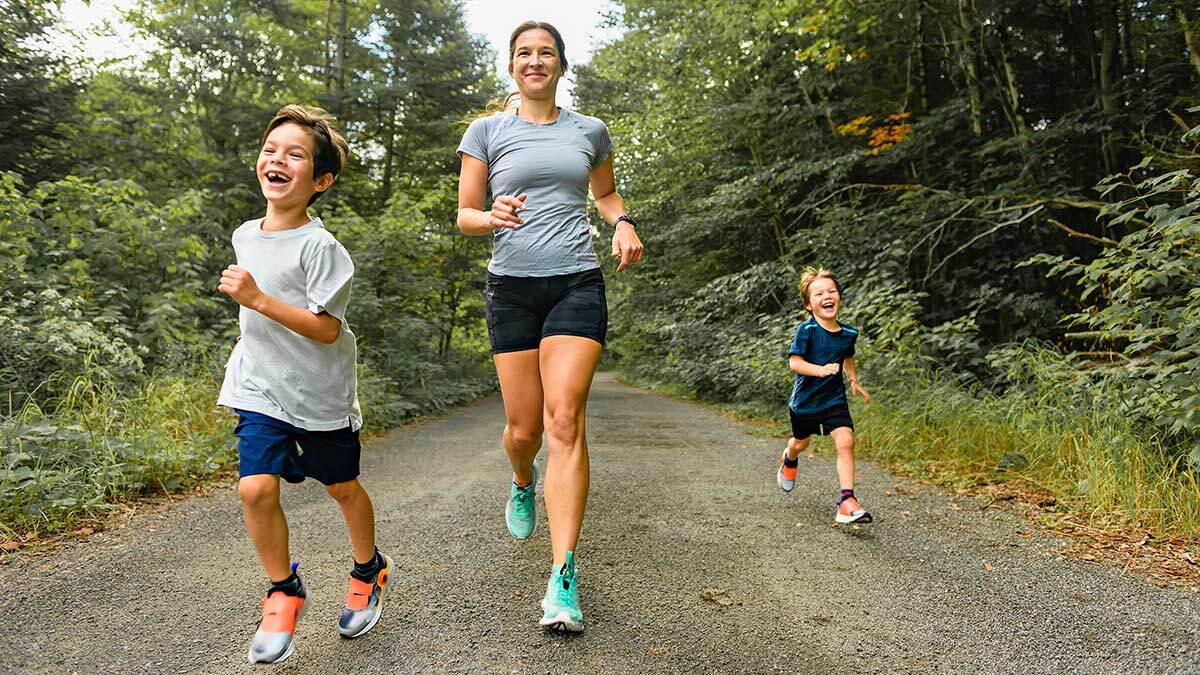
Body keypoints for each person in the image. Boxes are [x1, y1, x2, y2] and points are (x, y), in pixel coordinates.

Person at [455, 20, 644, 632]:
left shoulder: (589, 131)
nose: (535, 61)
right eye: (524, 53)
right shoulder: (486, 132)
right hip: (511, 288)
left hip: (576, 283)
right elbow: (465, 214)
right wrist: (492, 216)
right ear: (511, 66)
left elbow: (606, 194)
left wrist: (622, 222)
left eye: (546, 53)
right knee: (523, 429)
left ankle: (563, 575)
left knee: (566, 418)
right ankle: (520, 478)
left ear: (562, 65)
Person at [217, 105, 392, 664]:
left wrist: (258, 300)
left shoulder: (323, 249)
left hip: (319, 393)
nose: (278, 160)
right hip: (259, 385)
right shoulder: (247, 234)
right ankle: (283, 590)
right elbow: (256, 312)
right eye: (272, 150)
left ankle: (370, 568)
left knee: (341, 487)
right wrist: (252, 324)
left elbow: (324, 329)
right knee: (254, 488)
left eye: (296, 155)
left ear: (320, 181)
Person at [776, 267, 873, 524]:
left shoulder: (848, 334)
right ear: (809, 304)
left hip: (834, 400)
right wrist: (819, 370)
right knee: (801, 443)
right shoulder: (807, 331)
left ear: (839, 297)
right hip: (805, 403)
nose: (826, 296)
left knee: (845, 441)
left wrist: (853, 380)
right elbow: (795, 363)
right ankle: (789, 457)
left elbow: (847, 356)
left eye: (831, 291)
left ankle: (846, 501)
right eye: (818, 293)